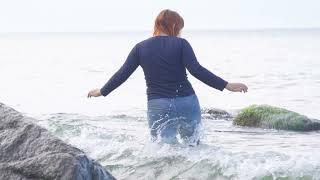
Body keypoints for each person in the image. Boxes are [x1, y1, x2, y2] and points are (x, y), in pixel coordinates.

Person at [88, 9, 248, 146]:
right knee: (194, 146)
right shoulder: (181, 44)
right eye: (179, 28)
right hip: (187, 101)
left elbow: (122, 74)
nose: (179, 32)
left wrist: (102, 91)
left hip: (159, 104)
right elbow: (196, 70)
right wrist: (227, 85)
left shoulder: (140, 48)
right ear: (173, 26)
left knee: (164, 150)